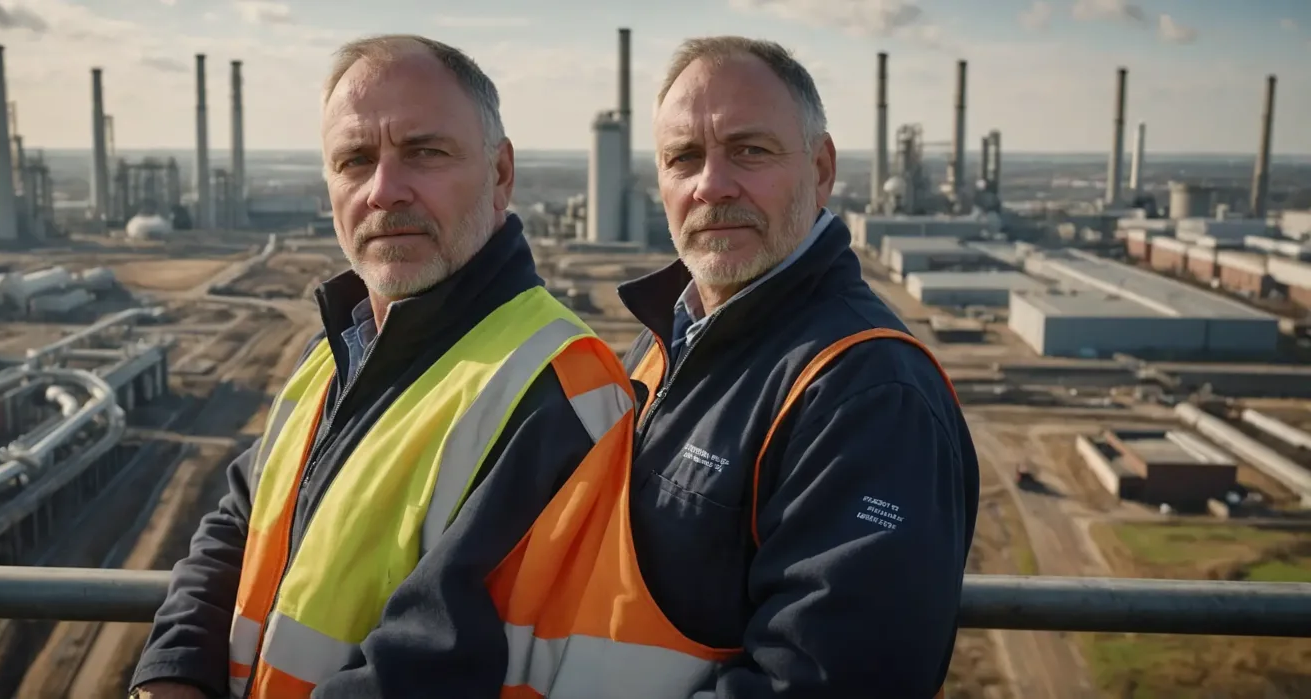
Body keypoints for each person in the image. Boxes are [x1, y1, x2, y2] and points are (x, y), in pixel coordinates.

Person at [126, 35, 635, 699]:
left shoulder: (556, 387)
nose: (384, 191)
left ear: (501, 174)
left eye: (424, 152)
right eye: (354, 160)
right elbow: (239, 522)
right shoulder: (341, 349)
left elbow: (437, 662)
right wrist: (172, 671)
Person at [608, 37, 981, 696]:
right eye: (683, 157)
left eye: (750, 151)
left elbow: (822, 680)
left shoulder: (866, 393)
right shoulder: (667, 339)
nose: (713, 186)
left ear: (822, 168)